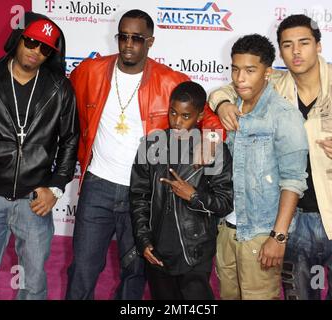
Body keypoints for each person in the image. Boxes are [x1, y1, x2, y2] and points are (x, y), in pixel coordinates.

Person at [209, 15, 332, 300]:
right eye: (287, 45)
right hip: (292, 219)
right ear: (279, 51)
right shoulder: (275, 84)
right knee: (299, 295)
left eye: (304, 43)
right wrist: (222, 102)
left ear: (318, 45)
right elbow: (233, 86)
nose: (296, 52)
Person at [66, 9, 224, 300]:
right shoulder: (90, 72)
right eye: (123, 36)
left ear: (150, 41)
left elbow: (210, 120)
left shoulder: (169, 81)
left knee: (135, 270)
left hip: (144, 193)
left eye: (136, 38)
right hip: (97, 185)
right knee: (83, 269)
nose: (128, 44)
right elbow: (63, 102)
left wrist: (209, 141)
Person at [0, 12, 79, 300]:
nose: (36, 52)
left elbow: (71, 141)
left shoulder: (60, 89)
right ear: (18, 39)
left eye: (45, 48)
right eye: (31, 42)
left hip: (35, 201)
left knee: (33, 288)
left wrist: (56, 187)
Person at [212, 34, 308, 300]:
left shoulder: (284, 115)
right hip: (226, 230)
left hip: (260, 234)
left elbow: (293, 180)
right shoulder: (231, 107)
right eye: (235, 69)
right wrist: (221, 102)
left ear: (267, 73)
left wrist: (278, 238)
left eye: (250, 70)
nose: (240, 78)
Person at [129, 81, 233, 300]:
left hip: (195, 253)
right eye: (173, 113)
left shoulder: (212, 148)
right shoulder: (151, 145)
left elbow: (225, 202)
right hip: (158, 252)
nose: (177, 122)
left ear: (200, 116)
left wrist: (193, 196)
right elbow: (139, 196)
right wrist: (143, 240)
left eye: (186, 116)